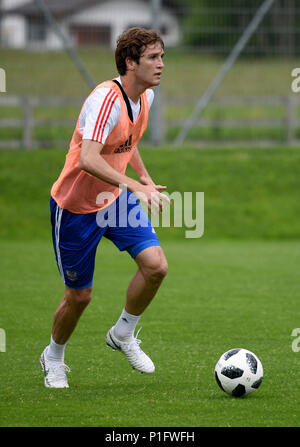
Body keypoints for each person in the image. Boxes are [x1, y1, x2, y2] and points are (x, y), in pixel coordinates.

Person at [40, 27, 169, 388]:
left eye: (162, 56)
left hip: (113, 199)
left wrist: (142, 178)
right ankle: (53, 356)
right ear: (130, 63)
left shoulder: (146, 97)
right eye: (153, 58)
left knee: (156, 266)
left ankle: (123, 334)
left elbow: (127, 142)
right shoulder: (104, 99)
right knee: (79, 297)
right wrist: (131, 184)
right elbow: (87, 158)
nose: (161, 64)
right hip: (77, 208)